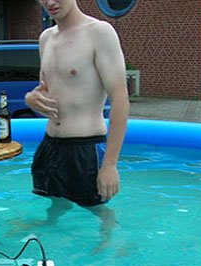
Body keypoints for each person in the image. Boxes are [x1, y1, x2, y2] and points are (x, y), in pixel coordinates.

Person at [25, 0, 129, 210]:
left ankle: (112, 234)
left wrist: (110, 165)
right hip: (50, 145)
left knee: (99, 213)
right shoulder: (46, 38)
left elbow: (120, 101)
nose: (50, 2)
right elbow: (48, 89)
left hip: (85, 147)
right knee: (54, 207)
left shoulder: (99, 33)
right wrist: (31, 98)